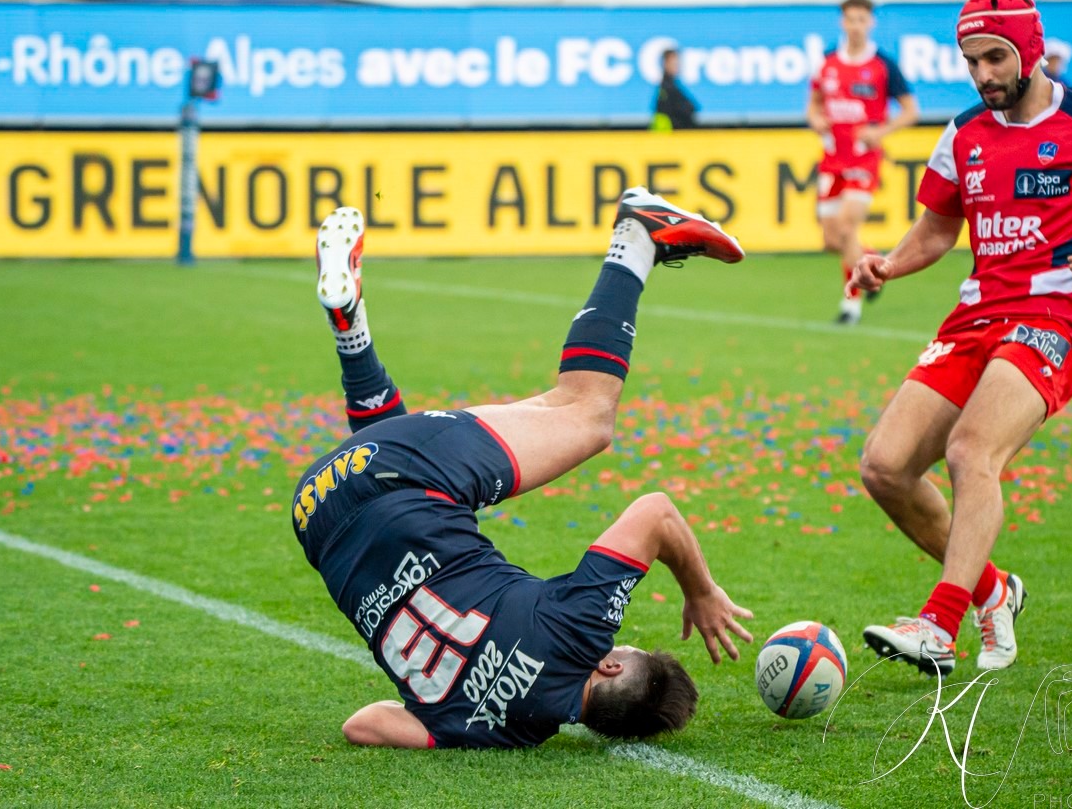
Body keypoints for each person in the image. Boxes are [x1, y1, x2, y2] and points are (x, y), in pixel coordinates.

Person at [294, 188, 754, 748]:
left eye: (623, 647)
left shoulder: (582, 632)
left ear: (610, 667)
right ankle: (351, 328)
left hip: (406, 474)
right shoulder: (507, 732)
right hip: (318, 510)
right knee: (459, 458)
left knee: (587, 414)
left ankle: (637, 235)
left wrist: (700, 591)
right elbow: (365, 724)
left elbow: (654, 514)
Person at [849, 0, 1072, 677]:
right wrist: (888, 263)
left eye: (995, 57)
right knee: (883, 466)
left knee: (971, 451)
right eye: (971, 60)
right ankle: (993, 589)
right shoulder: (963, 133)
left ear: (1029, 51)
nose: (983, 75)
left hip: (1053, 317)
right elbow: (938, 229)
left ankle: (939, 624)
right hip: (974, 315)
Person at [808, 0, 919, 326]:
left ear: (870, 23)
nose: (855, 25)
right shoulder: (828, 61)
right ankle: (873, 260)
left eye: (861, 19)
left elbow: (911, 112)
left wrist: (880, 132)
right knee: (832, 240)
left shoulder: (883, 64)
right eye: (850, 19)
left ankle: (850, 307)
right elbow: (813, 105)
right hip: (831, 159)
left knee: (846, 227)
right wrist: (815, 119)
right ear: (842, 22)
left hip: (863, 160)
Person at [652, 48, 699, 132]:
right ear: (665, 63)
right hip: (670, 136)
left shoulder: (672, 85)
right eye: (673, 63)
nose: (676, 66)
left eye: (677, 63)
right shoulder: (667, 88)